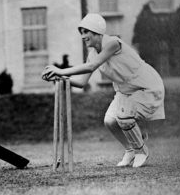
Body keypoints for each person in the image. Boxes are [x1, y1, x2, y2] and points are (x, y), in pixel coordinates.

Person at [42, 13, 165, 168]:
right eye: (81, 32)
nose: (83, 36)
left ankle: (141, 150)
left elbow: (91, 66)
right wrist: (58, 78)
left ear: (97, 32)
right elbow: (81, 82)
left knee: (124, 116)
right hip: (125, 89)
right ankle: (130, 150)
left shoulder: (113, 43)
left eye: (86, 32)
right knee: (110, 121)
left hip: (145, 85)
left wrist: (60, 70)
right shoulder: (93, 54)